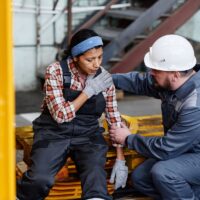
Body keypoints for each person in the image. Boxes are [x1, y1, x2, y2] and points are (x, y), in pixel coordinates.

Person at [17, 29, 128, 200]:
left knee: (96, 181)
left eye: (100, 57)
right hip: (54, 133)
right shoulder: (55, 72)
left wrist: (121, 159)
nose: (97, 64)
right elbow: (61, 115)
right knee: (39, 179)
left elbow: (114, 118)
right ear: (75, 57)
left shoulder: (103, 78)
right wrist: (89, 91)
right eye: (90, 59)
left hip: (88, 135)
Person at [110, 34, 200, 200]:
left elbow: (167, 149)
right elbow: (141, 82)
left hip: (194, 154)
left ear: (175, 74)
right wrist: (108, 79)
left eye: (156, 69)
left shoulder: (194, 105)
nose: (151, 73)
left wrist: (128, 139)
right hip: (185, 149)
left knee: (164, 173)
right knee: (141, 179)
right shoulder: (173, 82)